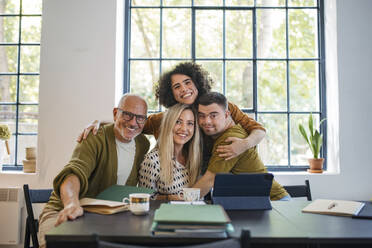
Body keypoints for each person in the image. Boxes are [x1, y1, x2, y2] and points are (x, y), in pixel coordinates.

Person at [78, 62, 266, 161]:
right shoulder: (164, 119)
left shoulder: (223, 108)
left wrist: (245, 144)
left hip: (215, 176)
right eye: (177, 87)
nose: (184, 89)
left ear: (197, 84)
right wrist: (100, 123)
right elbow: (133, 124)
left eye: (187, 83)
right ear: (171, 94)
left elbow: (258, 130)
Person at [37, 94, 150, 248]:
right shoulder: (95, 136)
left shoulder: (143, 144)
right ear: (116, 113)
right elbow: (74, 172)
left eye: (140, 118)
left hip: (104, 217)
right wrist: (71, 203)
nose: (133, 122)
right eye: (127, 115)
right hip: (64, 210)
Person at [192, 92, 289, 201]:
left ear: (226, 115)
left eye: (213, 115)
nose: (207, 121)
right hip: (258, 202)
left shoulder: (229, 140)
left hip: (275, 202)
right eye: (202, 116)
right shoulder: (226, 133)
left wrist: (179, 200)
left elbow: (209, 180)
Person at [138, 104, 201, 198]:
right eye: (178, 122)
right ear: (168, 124)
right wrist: (170, 198)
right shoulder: (152, 160)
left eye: (190, 123)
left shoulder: (195, 157)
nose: (184, 129)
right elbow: (145, 199)